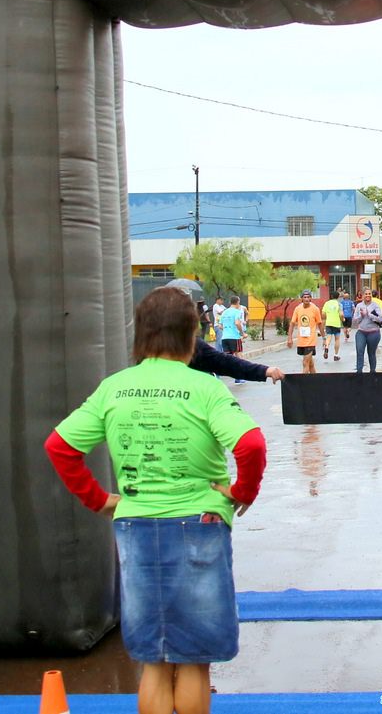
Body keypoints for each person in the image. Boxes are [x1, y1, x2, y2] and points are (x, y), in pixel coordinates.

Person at [45, 287, 265, 714]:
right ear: (191, 335)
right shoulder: (204, 388)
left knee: (155, 660)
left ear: (141, 334)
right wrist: (243, 492)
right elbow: (251, 444)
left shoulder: (114, 388)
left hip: (135, 527)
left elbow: (60, 446)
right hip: (200, 524)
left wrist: (98, 499)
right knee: (194, 659)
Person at [287, 290, 323, 374]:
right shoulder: (297, 309)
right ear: (301, 299)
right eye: (305, 297)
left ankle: (303, 382)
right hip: (301, 340)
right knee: (310, 364)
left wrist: (324, 338)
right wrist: (289, 338)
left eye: (308, 297)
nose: (306, 299)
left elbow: (320, 323)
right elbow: (292, 323)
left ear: (310, 298)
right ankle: (316, 381)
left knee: (305, 362)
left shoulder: (315, 309)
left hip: (311, 340)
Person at [351, 290, 382, 373]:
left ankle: (372, 372)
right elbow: (354, 321)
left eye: (369, 294)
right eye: (366, 294)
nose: (368, 295)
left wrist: (369, 314)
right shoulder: (359, 306)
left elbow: (380, 319)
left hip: (373, 332)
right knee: (360, 351)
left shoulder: (376, 305)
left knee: (371, 353)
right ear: (363, 295)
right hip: (361, 332)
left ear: (371, 295)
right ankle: (359, 372)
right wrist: (361, 316)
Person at [320, 293, 344, 361]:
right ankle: (336, 355)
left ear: (331, 296)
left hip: (328, 323)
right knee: (337, 339)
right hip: (336, 323)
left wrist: (326, 318)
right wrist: (343, 319)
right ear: (338, 297)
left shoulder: (326, 303)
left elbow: (323, 314)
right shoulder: (339, 304)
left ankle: (326, 348)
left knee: (328, 337)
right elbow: (341, 314)